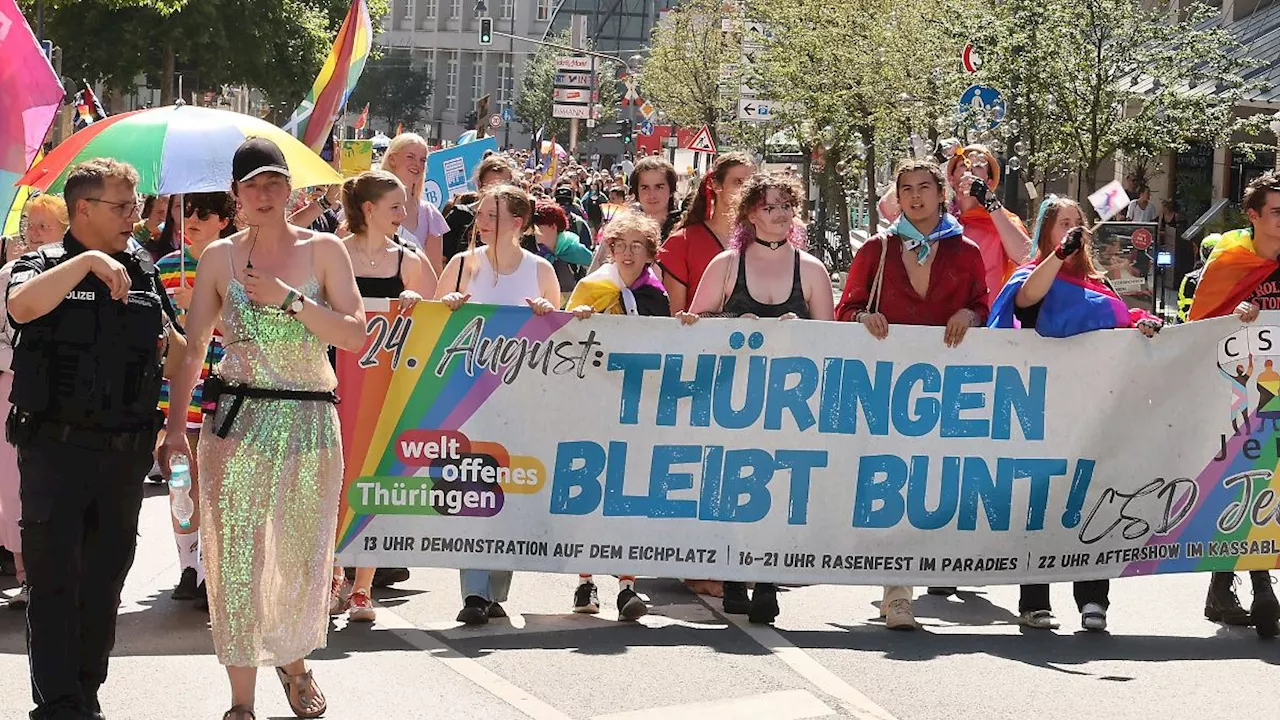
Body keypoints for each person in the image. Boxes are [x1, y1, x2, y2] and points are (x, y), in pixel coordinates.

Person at [160, 138, 366, 720]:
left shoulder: (324, 249)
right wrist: (177, 426)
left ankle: (295, 664)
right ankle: (241, 702)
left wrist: (291, 301)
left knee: (302, 556)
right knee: (236, 559)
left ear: (290, 187)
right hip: (237, 424)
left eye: (275, 181)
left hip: (308, 420)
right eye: (252, 185)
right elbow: (195, 345)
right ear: (237, 195)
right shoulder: (218, 258)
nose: (265, 193)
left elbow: (354, 335)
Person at [7, 158, 186, 720]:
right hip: (55, 450)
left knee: (106, 578)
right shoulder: (39, 264)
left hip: (124, 453)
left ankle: (86, 692)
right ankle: (59, 704)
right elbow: (21, 306)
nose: (134, 217)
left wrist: (182, 335)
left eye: (135, 206)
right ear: (83, 209)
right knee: (56, 578)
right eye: (122, 207)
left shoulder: (143, 268)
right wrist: (86, 261)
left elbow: (180, 354)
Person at [988, 196, 1161, 632]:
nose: (1071, 228)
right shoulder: (1031, 275)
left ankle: (1093, 597)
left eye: (1076, 223)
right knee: (1040, 503)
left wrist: (1140, 323)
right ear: (1046, 230)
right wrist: (1058, 255)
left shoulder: (1097, 282)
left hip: (1093, 408)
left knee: (1093, 497)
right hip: (1041, 409)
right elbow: (1028, 300)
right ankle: (1034, 599)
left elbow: (1116, 323)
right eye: (1062, 222)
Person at [834, 158, 988, 631]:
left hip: (946, 389)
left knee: (935, 483)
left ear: (942, 194)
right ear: (896, 198)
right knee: (895, 484)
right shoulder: (877, 250)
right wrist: (863, 318)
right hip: (887, 388)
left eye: (925, 187)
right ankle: (898, 594)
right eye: (907, 189)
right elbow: (845, 310)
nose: (916, 196)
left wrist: (970, 315)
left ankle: (930, 568)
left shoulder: (965, 251)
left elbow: (985, 306)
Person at [678, 173, 834, 624]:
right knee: (732, 485)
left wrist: (798, 330)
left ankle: (765, 580)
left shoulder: (812, 269)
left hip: (789, 405)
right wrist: (733, 322)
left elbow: (831, 341)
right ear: (749, 213)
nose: (780, 214)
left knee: (778, 489)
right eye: (770, 207)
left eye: (787, 205)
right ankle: (731, 574)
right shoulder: (727, 264)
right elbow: (694, 323)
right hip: (732, 401)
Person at [435, 184, 561, 626]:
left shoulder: (541, 269)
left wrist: (548, 313)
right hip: (466, 397)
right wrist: (446, 306)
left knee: (507, 488)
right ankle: (473, 591)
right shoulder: (459, 265)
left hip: (520, 397)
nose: (482, 222)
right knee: (472, 486)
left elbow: (558, 343)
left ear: (518, 224)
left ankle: (494, 588)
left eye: (492, 215)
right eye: (482, 214)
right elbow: (433, 326)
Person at [332, 171, 438, 623]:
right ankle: (332, 574)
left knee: (373, 476)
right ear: (369, 209)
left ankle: (362, 587)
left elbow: (438, 315)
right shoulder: (334, 253)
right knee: (335, 477)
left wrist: (416, 298)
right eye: (395, 206)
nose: (404, 213)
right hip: (335, 379)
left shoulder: (409, 261)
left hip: (385, 384)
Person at [563, 210, 671, 620]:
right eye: (619, 245)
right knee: (587, 490)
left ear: (649, 252)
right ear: (610, 248)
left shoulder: (655, 295)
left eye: (636, 246)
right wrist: (578, 321)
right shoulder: (590, 288)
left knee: (629, 491)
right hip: (592, 400)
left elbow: (663, 347)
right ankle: (584, 581)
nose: (627, 253)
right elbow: (567, 342)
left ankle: (628, 585)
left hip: (635, 405)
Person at [1188, 170, 1280, 638]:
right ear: (1254, 215)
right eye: (1278, 211)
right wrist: (1233, 315)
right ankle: (1263, 586)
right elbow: (1198, 324)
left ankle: (1222, 590)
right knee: (1253, 482)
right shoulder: (1229, 260)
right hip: (1238, 395)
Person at [156, 191, 239, 611]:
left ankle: (212, 568)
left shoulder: (240, 268)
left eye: (201, 214)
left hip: (228, 392)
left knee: (218, 483)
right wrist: (177, 322)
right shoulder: (165, 269)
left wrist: (207, 314)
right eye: (181, 211)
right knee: (181, 483)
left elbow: (250, 332)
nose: (189, 220)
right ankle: (188, 564)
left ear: (224, 219)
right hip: (178, 394)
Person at [0, 194, 70, 611]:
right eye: (30, 223)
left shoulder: (82, 270)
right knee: (16, 489)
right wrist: (22, 360)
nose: (34, 232)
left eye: (44, 225)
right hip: (13, 390)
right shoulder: (9, 273)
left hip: (66, 395)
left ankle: (63, 573)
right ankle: (26, 576)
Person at [658, 152, 756, 315]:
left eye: (751, 184)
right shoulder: (682, 242)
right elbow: (675, 317)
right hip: (698, 338)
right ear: (716, 186)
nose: (746, 191)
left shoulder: (764, 240)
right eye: (738, 182)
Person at [946, 144, 1032, 309]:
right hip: (942, 323)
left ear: (989, 182)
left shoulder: (1003, 219)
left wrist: (990, 202)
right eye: (963, 164)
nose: (970, 168)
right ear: (951, 178)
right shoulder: (939, 217)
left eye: (978, 165)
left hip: (987, 325)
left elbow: (1027, 257)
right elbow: (889, 206)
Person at [382, 133, 450, 268]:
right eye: (410, 157)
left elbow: (434, 271)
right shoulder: (367, 203)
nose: (417, 164)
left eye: (422, 160)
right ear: (392, 159)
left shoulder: (430, 215)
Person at [441, 155, 517, 262]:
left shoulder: (515, 220)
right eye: (491, 186)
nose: (498, 192)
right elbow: (442, 260)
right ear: (479, 184)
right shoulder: (459, 216)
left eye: (504, 185)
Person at [530, 200, 593, 305]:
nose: (533, 230)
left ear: (553, 227)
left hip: (575, 311)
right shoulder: (534, 252)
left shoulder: (576, 250)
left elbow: (593, 275)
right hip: (544, 311)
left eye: (538, 226)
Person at [4, 194, 68, 263]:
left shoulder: (76, 267)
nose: (34, 232)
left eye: (42, 226)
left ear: (64, 231)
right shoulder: (14, 268)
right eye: (30, 225)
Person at [1177, 233, 1220, 322]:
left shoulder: (1235, 279)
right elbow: (1186, 309)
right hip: (1192, 327)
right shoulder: (1191, 280)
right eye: (1210, 252)